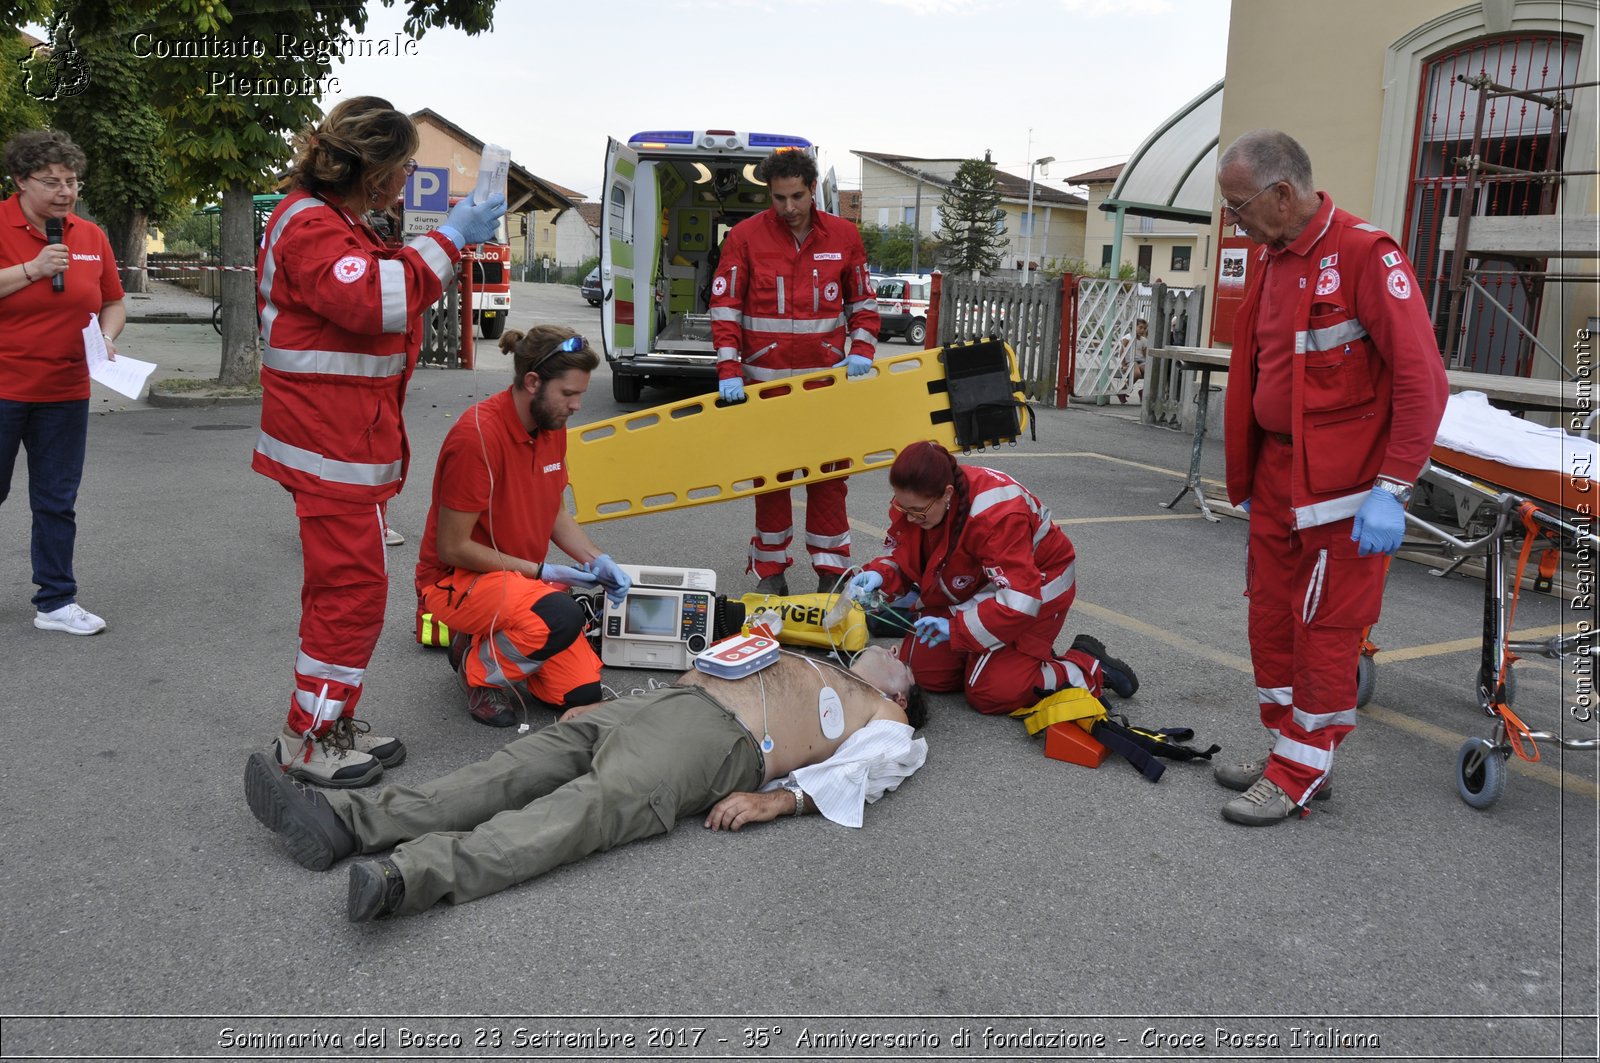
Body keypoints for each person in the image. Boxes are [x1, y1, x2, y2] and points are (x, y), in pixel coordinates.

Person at [243, 644, 927, 921]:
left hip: (719, 742)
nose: (892, 651)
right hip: (661, 704)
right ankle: (346, 822)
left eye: (900, 660)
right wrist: (620, 699)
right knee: (508, 769)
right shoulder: (832, 661)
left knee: (576, 812)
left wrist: (774, 801)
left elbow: (865, 773)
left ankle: (409, 875)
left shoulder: (888, 717)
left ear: (905, 691)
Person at [252, 96, 507, 787]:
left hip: (340, 442)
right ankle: (311, 738)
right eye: (401, 169)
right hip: (327, 446)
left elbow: (381, 298)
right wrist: (455, 232)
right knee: (351, 592)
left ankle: (328, 720)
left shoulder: (334, 221)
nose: (404, 182)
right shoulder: (312, 227)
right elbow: (379, 301)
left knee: (350, 589)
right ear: (372, 172)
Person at [1214, 129, 1448, 826]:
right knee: (1271, 619)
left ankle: (1297, 773)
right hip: (1278, 475)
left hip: (1344, 494)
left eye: (1239, 206)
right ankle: (1290, 749)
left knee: (1325, 631)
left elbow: (1422, 381)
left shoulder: (1365, 255)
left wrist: (1394, 487)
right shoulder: (1274, 255)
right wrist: (1252, 466)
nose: (1234, 221)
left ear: (1283, 194)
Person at [415, 325, 632, 729]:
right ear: (533, 382)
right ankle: (475, 666)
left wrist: (597, 559)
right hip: (456, 581)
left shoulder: (551, 427)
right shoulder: (476, 437)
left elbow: (555, 513)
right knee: (560, 617)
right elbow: (453, 548)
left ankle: (497, 638)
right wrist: (542, 572)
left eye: (580, 394)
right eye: (569, 394)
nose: (578, 405)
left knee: (579, 694)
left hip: (514, 582)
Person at [842, 442, 1137, 716]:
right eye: (902, 508)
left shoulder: (997, 514)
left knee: (992, 692)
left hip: (1037, 589)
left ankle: (1084, 665)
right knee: (926, 672)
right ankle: (995, 658)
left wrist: (958, 630)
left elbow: (1020, 601)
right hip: (977, 587)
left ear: (946, 494)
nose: (908, 518)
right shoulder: (919, 504)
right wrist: (880, 574)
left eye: (916, 511)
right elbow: (905, 556)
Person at [709, 148, 880, 598]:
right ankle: (770, 572)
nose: (788, 208)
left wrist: (862, 351)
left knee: (829, 479)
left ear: (812, 190)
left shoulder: (843, 235)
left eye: (797, 197)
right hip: (763, 385)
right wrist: (729, 370)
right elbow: (725, 308)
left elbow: (863, 304)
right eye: (779, 197)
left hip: (826, 386)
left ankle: (832, 570)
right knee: (770, 479)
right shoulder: (745, 237)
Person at [0, 129, 124, 636]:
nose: (65, 192)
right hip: (4, 388)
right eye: (51, 182)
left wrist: (108, 337)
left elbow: (113, 301)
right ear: (20, 181)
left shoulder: (90, 235)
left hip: (66, 391)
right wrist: (32, 268)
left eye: (71, 181)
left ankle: (56, 602)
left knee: (56, 500)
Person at [1116, 318, 1149, 404]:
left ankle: (1143, 391)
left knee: (1149, 373)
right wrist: (1123, 364)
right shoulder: (1128, 338)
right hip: (1130, 361)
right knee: (1137, 373)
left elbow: (1145, 354)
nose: (1142, 330)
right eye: (1140, 327)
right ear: (1135, 327)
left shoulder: (1144, 340)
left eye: (1145, 328)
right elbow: (1122, 352)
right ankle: (1124, 390)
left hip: (1141, 361)